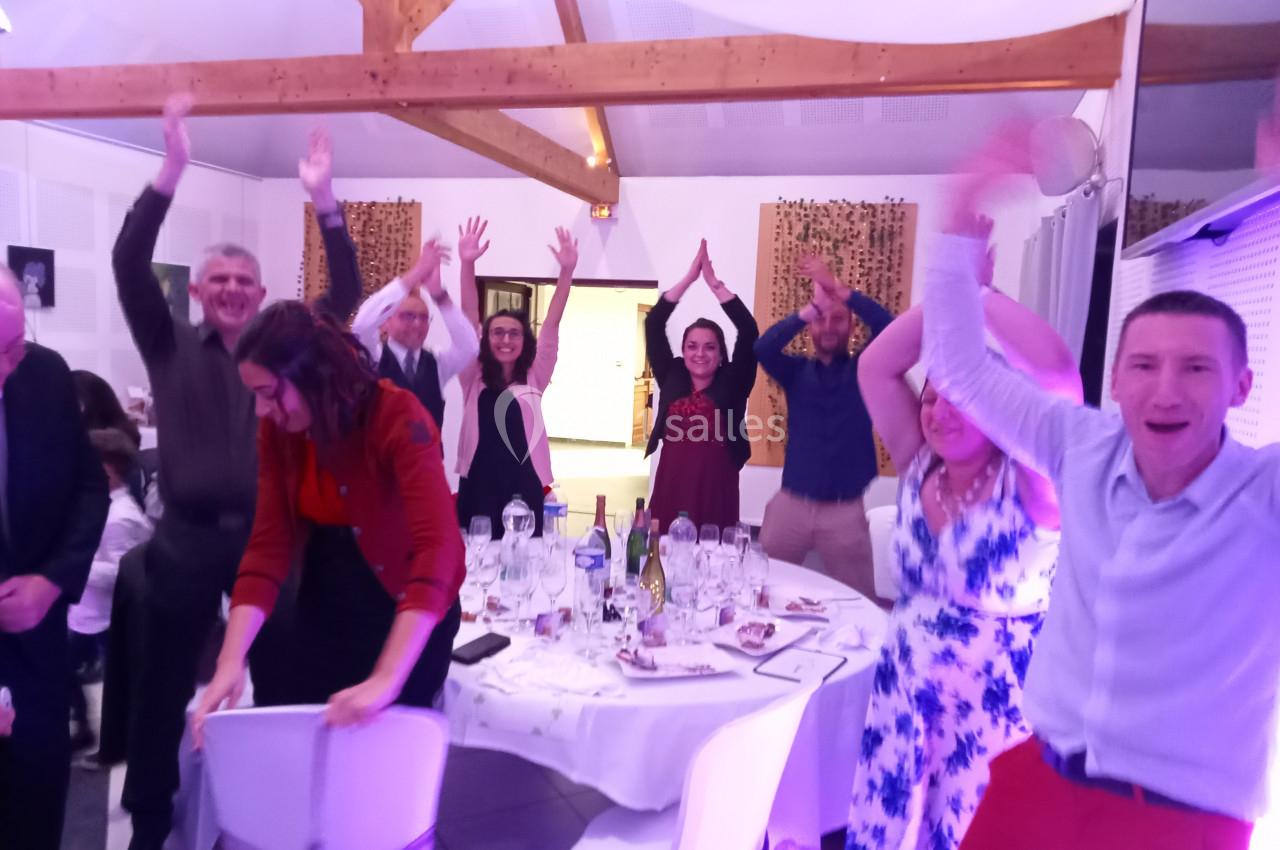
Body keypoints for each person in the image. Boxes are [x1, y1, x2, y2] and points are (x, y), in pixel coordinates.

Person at [924, 130, 1277, 850]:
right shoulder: (1083, 447)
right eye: (1143, 365)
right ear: (1115, 381)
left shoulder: (1263, 497)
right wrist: (958, 215)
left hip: (1182, 821)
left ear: (1242, 385)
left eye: (1197, 369)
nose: (1166, 390)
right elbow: (962, 371)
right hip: (1036, 782)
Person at [109, 95, 361, 850]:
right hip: (184, 541)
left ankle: (278, 816)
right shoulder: (167, 342)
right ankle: (152, 825)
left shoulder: (284, 348)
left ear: (260, 294)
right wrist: (172, 169)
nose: (229, 290)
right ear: (196, 290)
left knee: (284, 678)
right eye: (216, 280)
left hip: (269, 540)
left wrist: (323, 200)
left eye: (242, 282)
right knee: (161, 689)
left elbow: (344, 295)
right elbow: (127, 260)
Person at [846, 230, 1082, 850]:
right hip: (904, 695)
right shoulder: (917, 461)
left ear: (998, 408)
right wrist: (949, 291)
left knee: (973, 834)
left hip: (992, 713)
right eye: (930, 398)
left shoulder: (1034, 481)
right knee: (889, 830)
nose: (938, 412)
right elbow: (875, 364)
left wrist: (976, 291)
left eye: (960, 398)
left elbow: (1057, 378)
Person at [191, 300, 465, 735]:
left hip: (406, 602)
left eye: (268, 394)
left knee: (377, 752)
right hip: (325, 593)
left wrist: (386, 678)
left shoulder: (397, 416)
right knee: (301, 728)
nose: (262, 411)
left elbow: (440, 548)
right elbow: (267, 546)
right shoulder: (279, 431)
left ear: (312, 377)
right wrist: (229, 661)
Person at [0, 265, 109, 850]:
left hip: (37, 640)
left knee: (38, 802)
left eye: (13, 348)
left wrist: (51, 580)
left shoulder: (43, 374)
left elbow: (88, 487)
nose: (4, 371)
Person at [754, 255, 892, 598]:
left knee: (858, 600)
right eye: (821, 320)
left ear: (850, 326)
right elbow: (763, 347)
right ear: (810, 328)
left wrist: (842, 292)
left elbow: (889, 329)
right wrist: (809, 310)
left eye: (838, 319)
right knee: (762, 590)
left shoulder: (865, 369)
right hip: (790, 506)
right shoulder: (796, 372)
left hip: (844, 512)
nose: (828, 327)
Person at [455, 218, 577, 537]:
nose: (505, 340)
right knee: (476, 560)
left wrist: (566, 272)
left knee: (524, 561)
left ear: (524, 341)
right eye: (497, 333)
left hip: (524, 485)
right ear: (486, 338)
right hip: (478, 484)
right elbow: (468, 317)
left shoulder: (534, 377)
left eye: (513, 334)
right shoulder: (473, 376)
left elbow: (551, 324)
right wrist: (467, 263)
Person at [645, 239, 759, 532]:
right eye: (692, 346)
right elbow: (654, 324)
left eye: (710, 347)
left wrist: (714, 284)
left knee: (712, 557)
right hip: (672, 482)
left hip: (715, 487)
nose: (700, 354)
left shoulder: (734, 380)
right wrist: (688, 279)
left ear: (721, 354)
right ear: (683, 350)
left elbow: (748, 331)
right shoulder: (672, 373)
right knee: (665, 553)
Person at [67, 428, 154, 753]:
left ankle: (121, 742)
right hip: (86, 613)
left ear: (108, 471)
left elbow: (124, 571)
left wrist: (73, 563)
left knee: (123, 683)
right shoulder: (101, 507)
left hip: (107, 616)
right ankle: (87, 727)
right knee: (64, 671)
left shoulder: (119, 517)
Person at [350, 237, 478, 431]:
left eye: (424, 317)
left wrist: (438, 295)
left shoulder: (438, 363)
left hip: (428, 460)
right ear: (386, 322)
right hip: (380, 460)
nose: (417, 324)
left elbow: (469, 346)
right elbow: (361, 326)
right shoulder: (373, 358)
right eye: (408, 316)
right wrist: (416, 273)